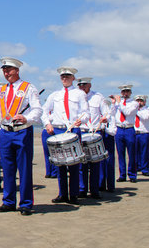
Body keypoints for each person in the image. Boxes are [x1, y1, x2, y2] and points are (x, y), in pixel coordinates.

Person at [0, 57, 42, 216]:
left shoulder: (28, 88)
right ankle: (8, 201)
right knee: (8, 169)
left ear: (17, 70)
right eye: (4, 70)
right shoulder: (2, 90)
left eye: (9, 70)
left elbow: (38, 110)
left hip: (22, 131)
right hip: (5, 132)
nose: (6, 73)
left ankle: (26, 203)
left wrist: (27, 118)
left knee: (24, 168)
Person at [41, 67, 89, 204]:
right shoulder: (54, 95)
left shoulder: (79, 94)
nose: (65, 78)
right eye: (62, 76)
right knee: (59, 164)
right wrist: (47, 124)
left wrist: (82, 120)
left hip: (73, 130)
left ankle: (73, 194)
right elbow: (44, 111)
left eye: (67, 76)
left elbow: (86, 112)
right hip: (57, 130)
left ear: (73, 78)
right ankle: (63, 194)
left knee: (74, 163)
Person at [77, 77, 109, 199]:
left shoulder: (98, 97)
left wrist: (105, 119)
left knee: (95, 163)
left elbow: (106, 112)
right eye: (80, 85)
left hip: (95, 132)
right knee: (82, 163)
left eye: (84, 84)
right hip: (81, 131)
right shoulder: (76, 97)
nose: (82, 87)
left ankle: (95, 190)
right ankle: (82, 189)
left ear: (89, 85)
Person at [112, 84, 139, 183]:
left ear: (130, 92)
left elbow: (127, 112)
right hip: (119, 128)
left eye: (127, 91)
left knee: (131, 153)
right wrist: (113, 103)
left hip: (129, 129)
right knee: (120, 153)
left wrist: (118, 103)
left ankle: (132, 174)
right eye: (123, 92)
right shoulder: (118, 103)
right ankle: (122, 174)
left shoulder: (134, 103)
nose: (125, 93)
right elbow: (112, 114)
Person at [135, 95, 149, 177]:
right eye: (137, 101)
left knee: (145, 152)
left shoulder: (148, 109)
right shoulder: (133, 110)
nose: (139, 102)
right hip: (135, 132)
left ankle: (145, 168)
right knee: (135, 152)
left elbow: (145, 117)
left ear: (144, 102)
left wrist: (136, 111)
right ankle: (138, 166)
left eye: (141, 101)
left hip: (144, 132)